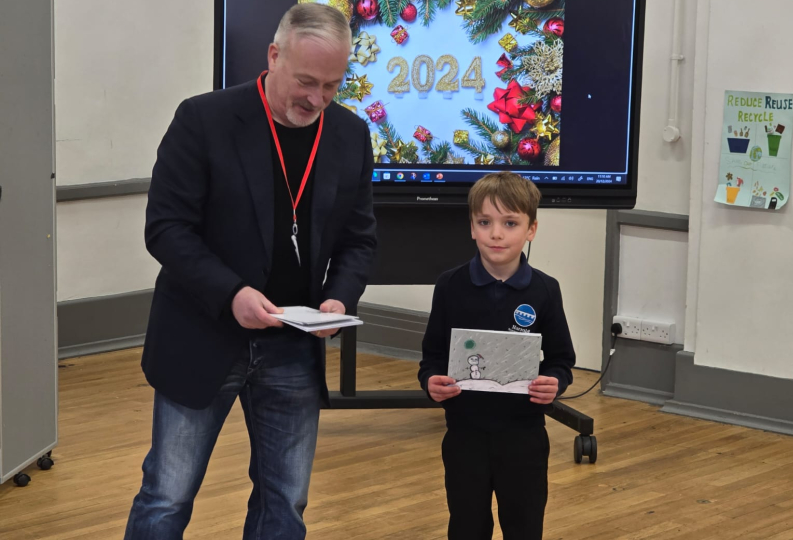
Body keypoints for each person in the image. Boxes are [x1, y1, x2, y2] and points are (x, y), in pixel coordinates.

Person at [124, 4, 376, 539]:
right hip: (203, 333)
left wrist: (338, 298)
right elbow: (166, 228)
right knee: (167, 498)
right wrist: (231, 292)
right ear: (273, 56)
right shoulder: (204, 119)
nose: (317, 99)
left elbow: (358, 239)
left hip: (293, 344)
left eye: (332, 86)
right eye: (306, 81)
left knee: (285, 503)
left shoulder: (351, 134)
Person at [418, 172, 576, 540]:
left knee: (524, 526)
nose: (496, 234)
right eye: (485, 222)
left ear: (531, 229)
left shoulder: (545, 290)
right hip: (464, 435)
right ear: (472, 227)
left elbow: (561, 360)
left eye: (510, 223)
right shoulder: (450, 286)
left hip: (524, 437)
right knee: (467, 526)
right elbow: (432, 358)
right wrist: (431, 382)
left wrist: (555, 383)